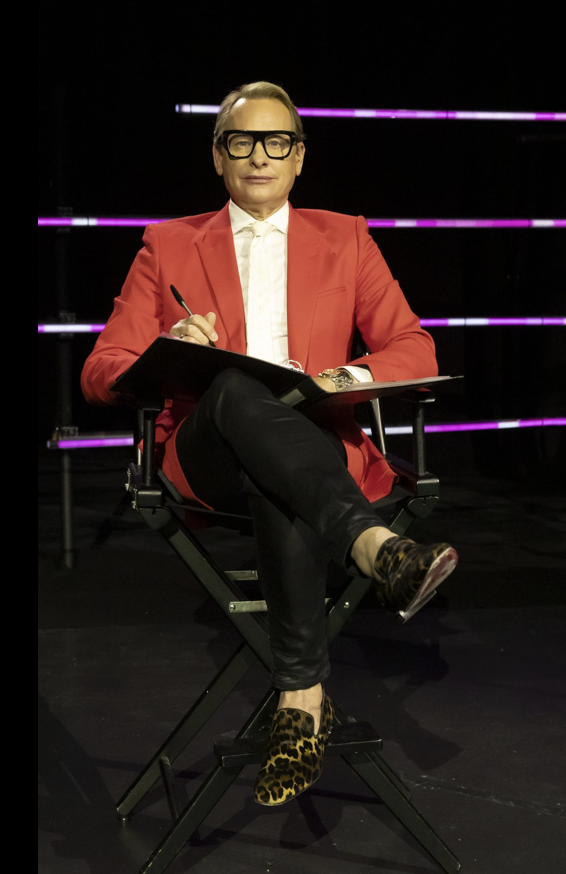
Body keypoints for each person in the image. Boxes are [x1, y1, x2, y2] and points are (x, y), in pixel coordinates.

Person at [79, 81, 458, 808]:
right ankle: (374, 546)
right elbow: (101, 370)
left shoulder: (345, 238)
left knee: (279, 477)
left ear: (299, 157)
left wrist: (345, 376)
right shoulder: (167, 243)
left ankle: (300, 702)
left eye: (276, 141)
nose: (260, 155)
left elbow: (413, 346)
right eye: (242, 141)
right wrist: (166, 349)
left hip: (313, 450)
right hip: (206, 455)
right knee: (232, 388)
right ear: (217, 156)